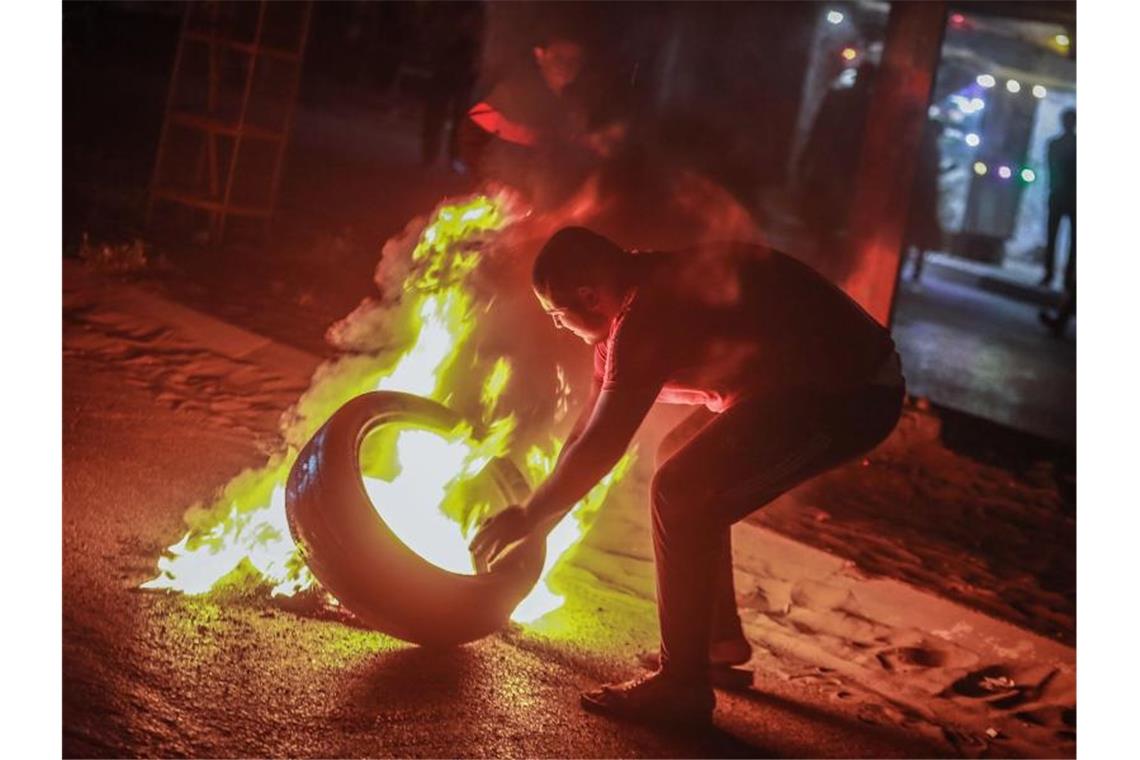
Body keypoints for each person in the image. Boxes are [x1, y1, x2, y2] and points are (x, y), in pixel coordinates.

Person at [470, 227, 905, 726]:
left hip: (852, 394)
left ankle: (683, 686)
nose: (556, 326)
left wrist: (529, 515)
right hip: (779, 388)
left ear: (588, 296)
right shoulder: (624, 317)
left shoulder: (651, 311)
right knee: (679, 458)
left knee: (682, 492)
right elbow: (587, 434)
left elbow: (605, 445)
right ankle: (716, 642)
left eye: (556, 314)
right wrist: (538, 519)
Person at [457, 33, 626, 204]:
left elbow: (569, 147)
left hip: (549, 203)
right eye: (558, 57)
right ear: (540, 55)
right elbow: (472, 132)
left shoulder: (576, 103)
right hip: (507, 201)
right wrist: (489, 182)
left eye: (574, 60)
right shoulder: (514, 94)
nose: (566, 66)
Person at [1040, 109, 1076, 288]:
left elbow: (1051, 170)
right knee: (1073, 242)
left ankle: (1049, 274)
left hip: (1058, 194)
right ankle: (1068, 278)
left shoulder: (1054, 144)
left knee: (1053, 236)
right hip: (1073, 197)